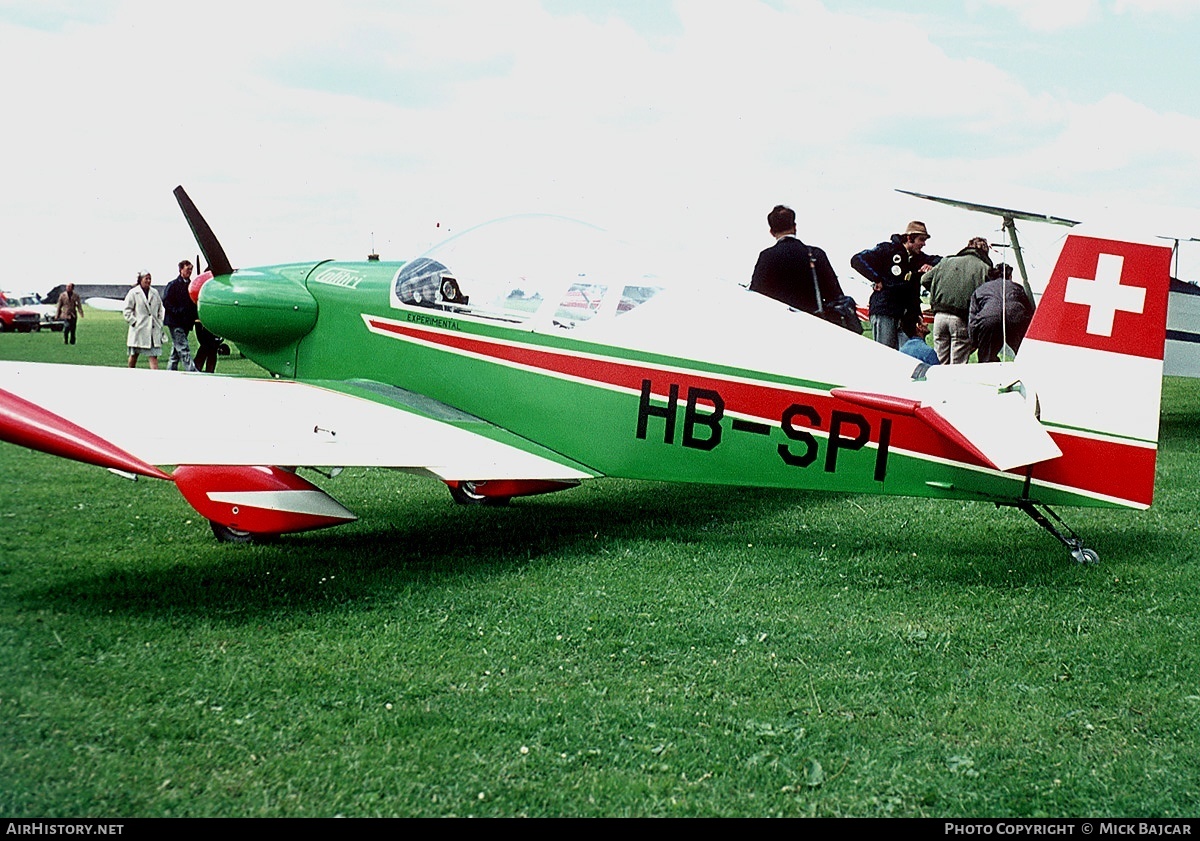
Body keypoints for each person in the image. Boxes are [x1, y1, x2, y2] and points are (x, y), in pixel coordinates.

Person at [851, 221, 938, 349]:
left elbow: (941, 260)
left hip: (907, 315)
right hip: (885, 309)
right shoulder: (887, 250)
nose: (924, 244)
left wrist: (932, 266)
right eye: (921, 240)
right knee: (885, 354)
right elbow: (857, 260)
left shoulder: (919, 258)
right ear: (910, 238)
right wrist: (876, 279)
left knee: (908, 355)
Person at [750, 204, 844, 315]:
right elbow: (835, 295)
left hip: (778, 322)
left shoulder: (766, 256)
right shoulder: (816, 254)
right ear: (794, 226)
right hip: (814, 322)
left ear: (771, 232)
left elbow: (756, 295)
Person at [923, 236, 992, 364]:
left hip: (939, 317)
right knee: (957, 367)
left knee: (940, 363)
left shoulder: (946, 261)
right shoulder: (985, 268)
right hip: (961, 319)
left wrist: (937, 290)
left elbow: (924, 279)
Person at [968, 263, 1033, 363]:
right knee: (1024, 356)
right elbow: (1030, 312)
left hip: (989, 319)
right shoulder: (1017, 287)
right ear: (1010, 276)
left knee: (986, 359)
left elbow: (972, 319)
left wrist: (974, 342)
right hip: (1016, 317)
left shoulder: (981, 289)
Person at [123, 271, 165, 369]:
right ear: (141, 280)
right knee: (134, 355)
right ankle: (129, 372)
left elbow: (160, 308)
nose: (148, 281)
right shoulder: (133, 293)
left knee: (153, 356)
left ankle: (156, 378)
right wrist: (134, 322)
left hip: (152, 330)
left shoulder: (154, 292)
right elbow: (127, 310)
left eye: (150, 278)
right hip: (139, 330)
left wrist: (159, 321)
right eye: (146, 278)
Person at [163, 259, 198, 372]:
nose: (190, 271)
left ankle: (170, 371)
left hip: (186, 322)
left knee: (176, 351)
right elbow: (166, 301)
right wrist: (177, 311)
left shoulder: (191, 285)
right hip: (175, 321)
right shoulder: (173, 285)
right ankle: (191, 371)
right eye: (187, 269)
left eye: (191, 269)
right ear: (181, 269)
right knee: (183, 348)